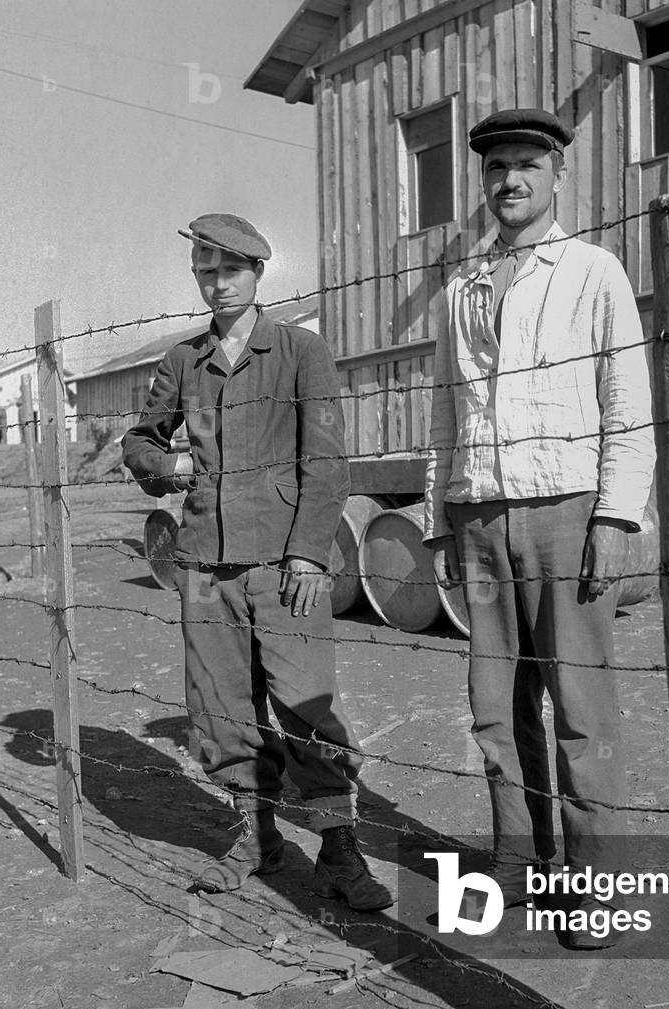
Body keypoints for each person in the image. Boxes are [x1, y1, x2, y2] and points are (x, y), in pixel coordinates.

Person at [423, 110, 655, 949]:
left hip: (565, 510)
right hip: (479, 513)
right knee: (495, 707)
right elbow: (446, 412)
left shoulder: (593, 272)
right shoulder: (459, 289)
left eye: (525, 166)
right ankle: (521, 864)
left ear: (556, 175)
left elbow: (628, 405)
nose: (509, 181)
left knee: (580, 708)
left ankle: (596, 885)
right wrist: (441, 519)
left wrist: (615, 513)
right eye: (495, 170)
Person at [122, 213, 392, 911]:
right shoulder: (182, 361)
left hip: (282, 563)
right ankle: (255, 838)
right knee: (219, 709)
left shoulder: (301, 350)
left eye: (229, 272)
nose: (217, 285)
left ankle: (338, 850)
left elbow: (326, 459)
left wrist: (308, 553)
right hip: (205, 566)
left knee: (305, 706)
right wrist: (168, 463)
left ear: (256, 275)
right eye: (205, 273)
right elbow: (138, 443)